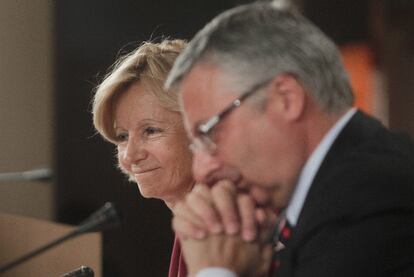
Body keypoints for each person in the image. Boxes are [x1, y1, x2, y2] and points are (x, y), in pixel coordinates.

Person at [165, 1, 414, 277]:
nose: (202, 169)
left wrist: (214, 270)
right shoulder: (335, 193)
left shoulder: (368, 197)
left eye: (209, 132)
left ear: (286, 98)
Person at [92, 39, 192, 277]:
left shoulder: (236, 225)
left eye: (151, 131)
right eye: (123, 136)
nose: (130, 155)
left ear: (202, 128)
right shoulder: (189, 221)